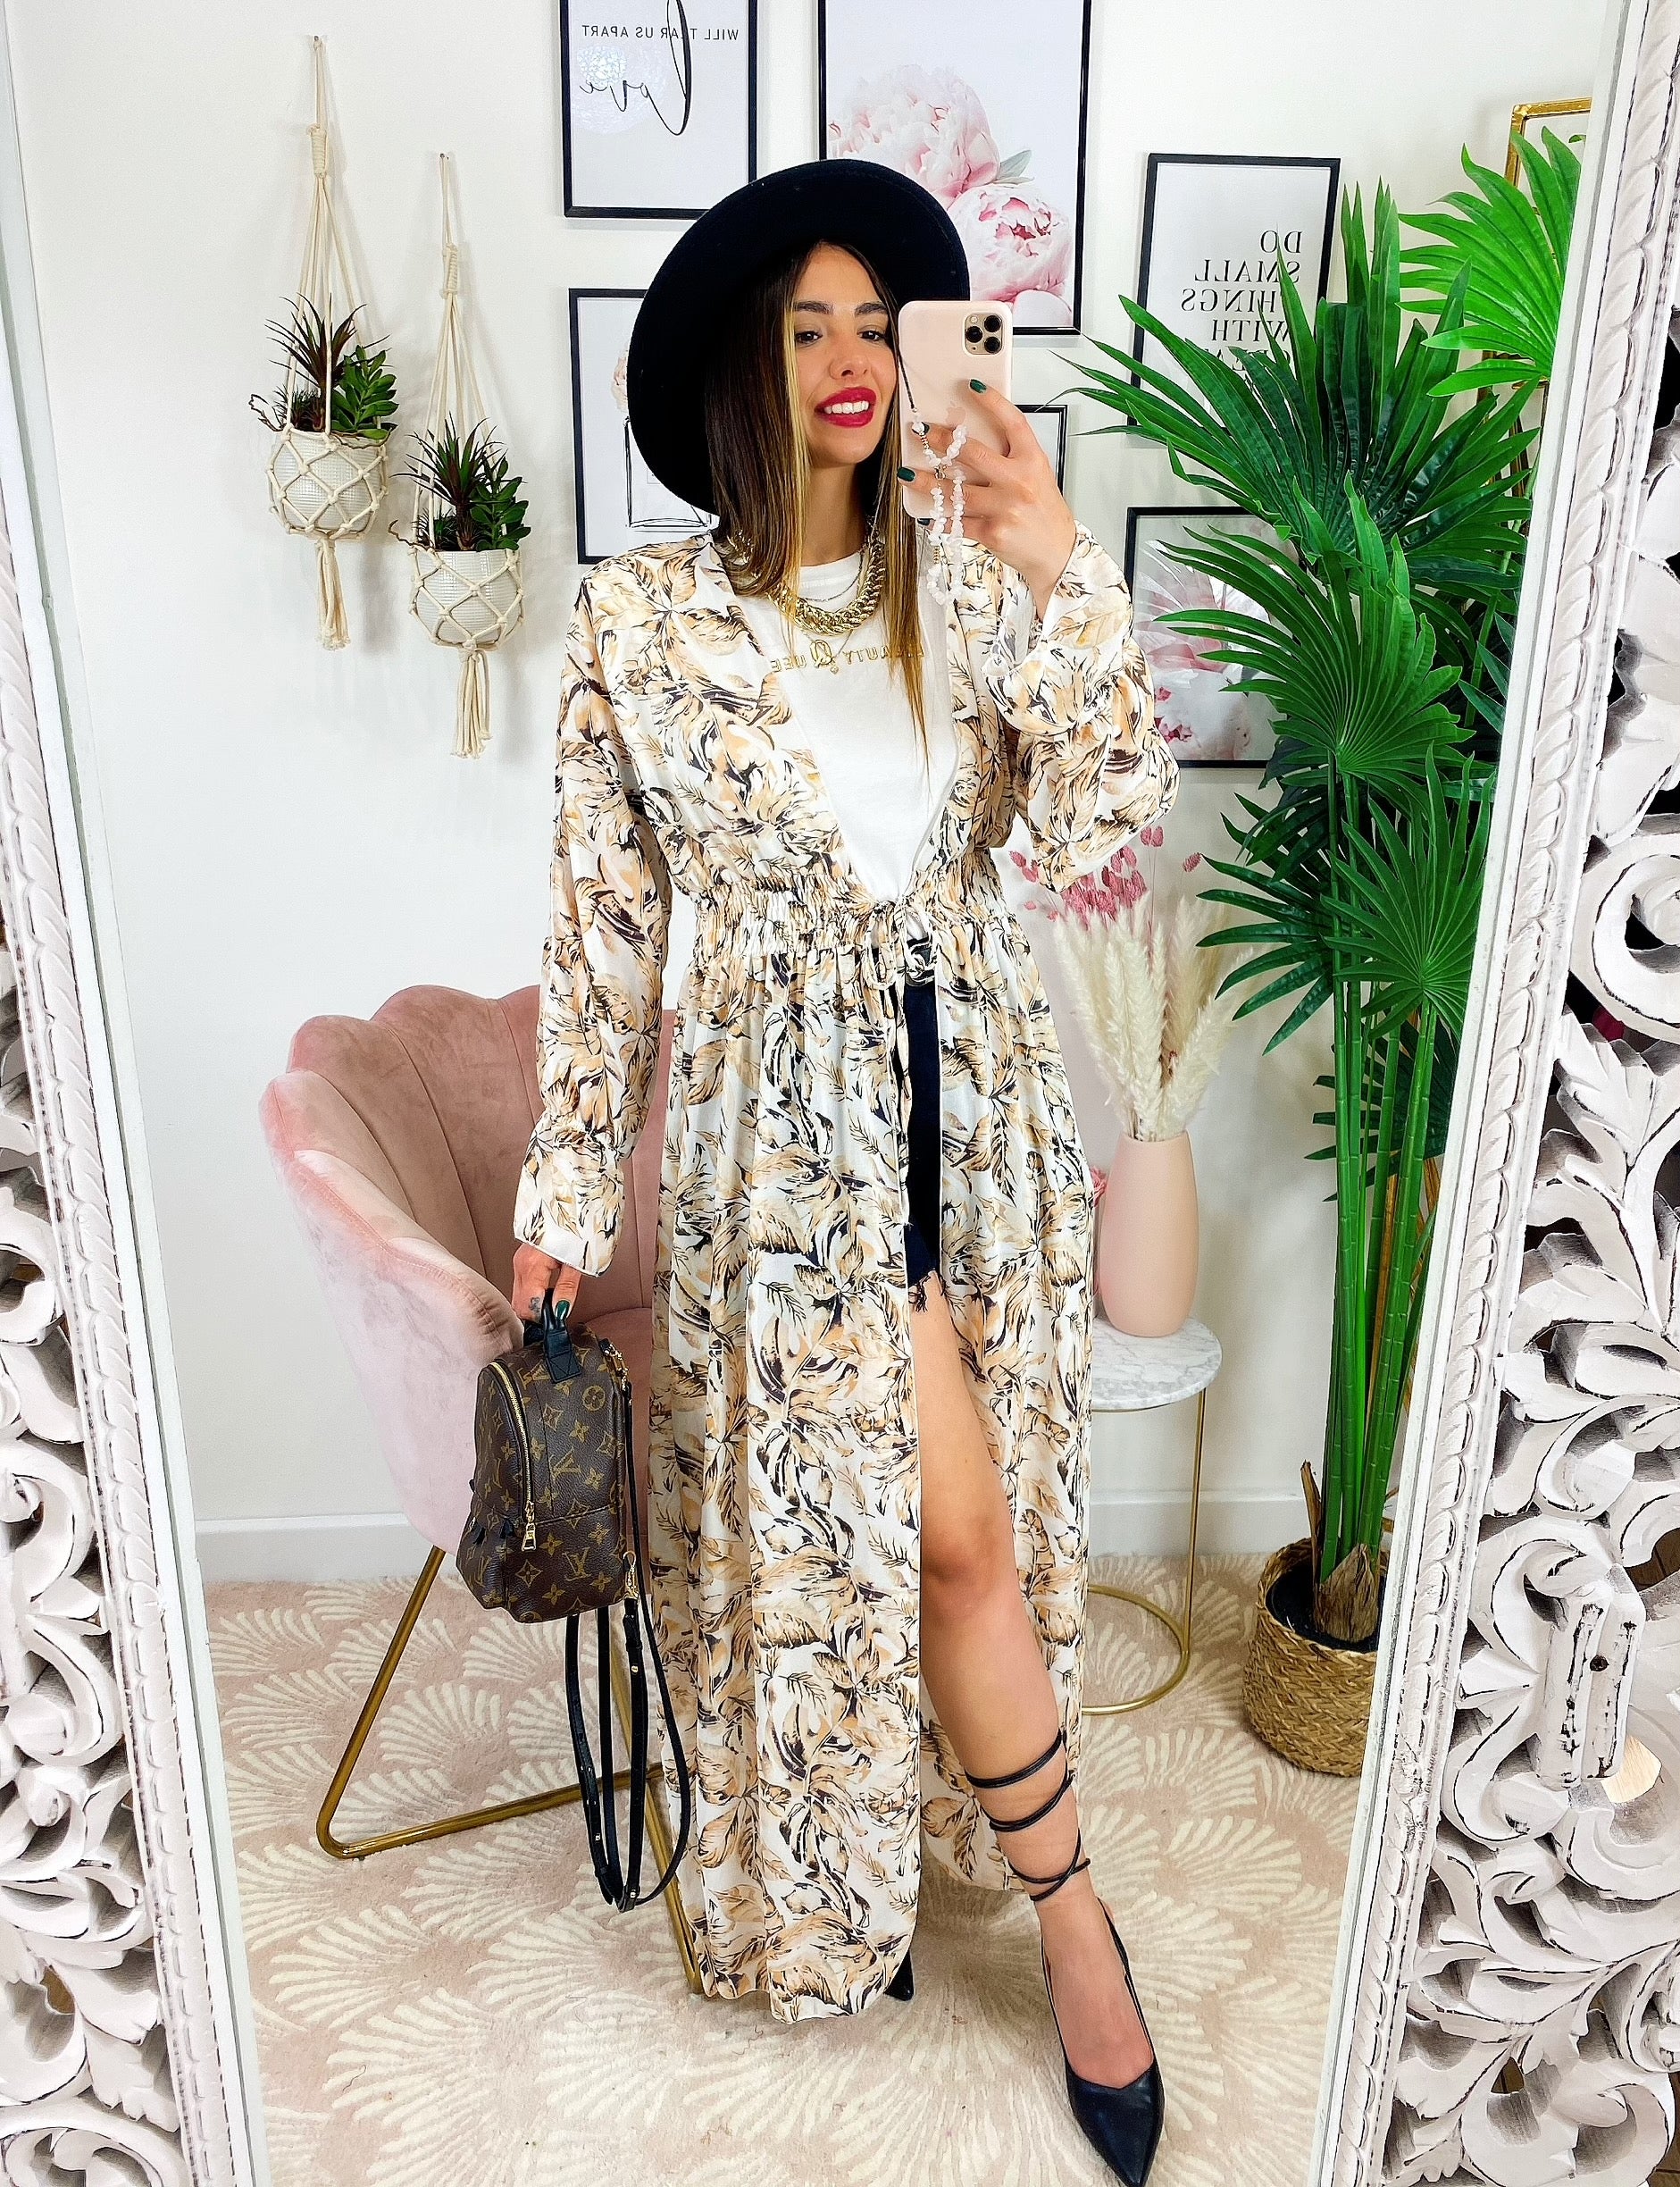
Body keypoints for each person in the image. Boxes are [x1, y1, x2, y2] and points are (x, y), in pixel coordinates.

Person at [510, 159, 1178, 2187]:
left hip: (980, 1126)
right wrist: (562, 1202)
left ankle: (1001, 1885)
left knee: (969, 1536)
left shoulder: (968, 584)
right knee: (911, 1545)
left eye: (880, 322)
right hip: (779, 1154)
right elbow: (603, 936)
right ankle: (1071, 1926)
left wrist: (1059, 564)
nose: (850, 359)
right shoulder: (636, 624)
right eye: (805, 325)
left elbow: (1100, 822)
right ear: (743, 362)